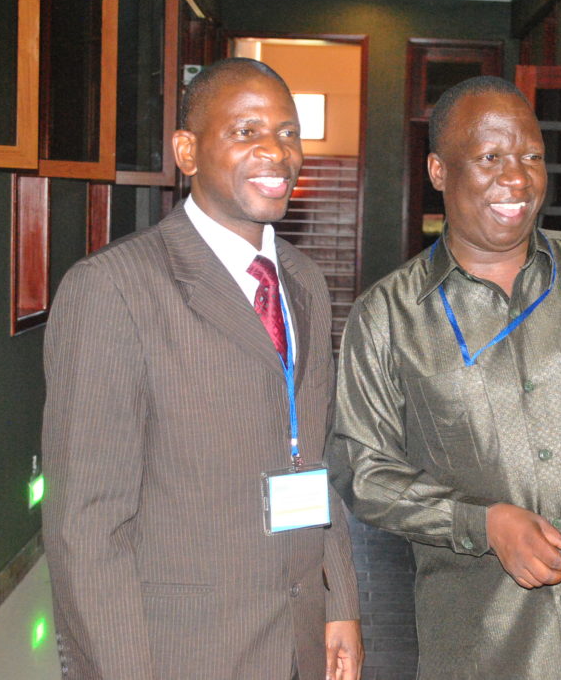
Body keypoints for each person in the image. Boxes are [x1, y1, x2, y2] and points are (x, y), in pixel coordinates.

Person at [327, 75, 561, 680]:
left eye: (532, 156)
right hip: (485, 641)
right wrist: (481, 523)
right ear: (438, 171)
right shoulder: (388, 316)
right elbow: (363, 470)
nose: (518, 179)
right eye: (490, 158)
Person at [42, 58, 362, 680]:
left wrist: (338, 601)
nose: (277, 151)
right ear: (186, 152)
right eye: (246, 131)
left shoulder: (304, 282)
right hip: (180, 650)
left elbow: (313, 457)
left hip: (297, 636)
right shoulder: (113, 288)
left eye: (289, 133)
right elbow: (86, 526)